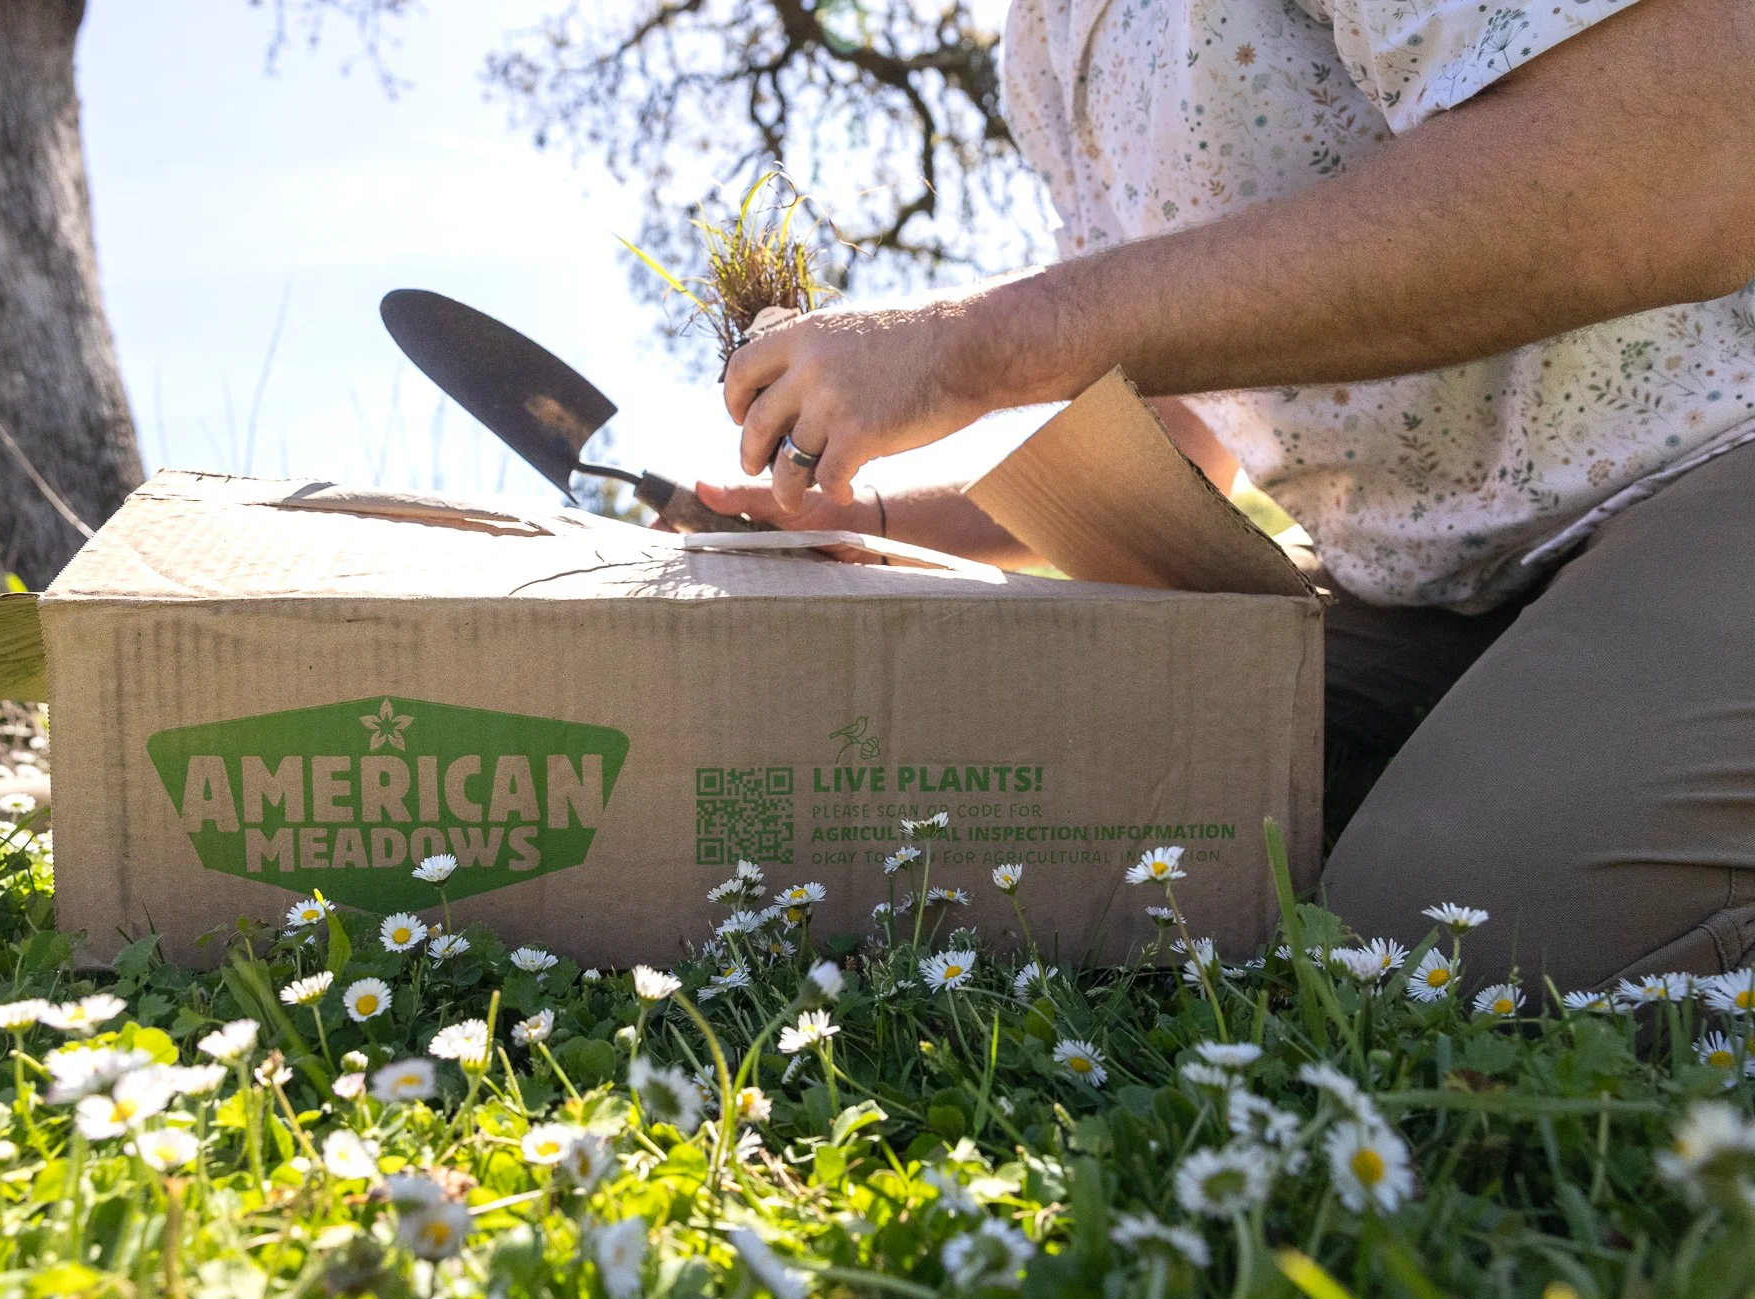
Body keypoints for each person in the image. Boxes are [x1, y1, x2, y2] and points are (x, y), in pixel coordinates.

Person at [695, 0, 1755, 990]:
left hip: (1713, 463)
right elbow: (1182, 411)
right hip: (1425, 578)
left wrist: (968, 347)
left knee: (1449, 931)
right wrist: (865, 517)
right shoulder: (1043, 46)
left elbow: (1679, 166)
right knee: (1067, 761)